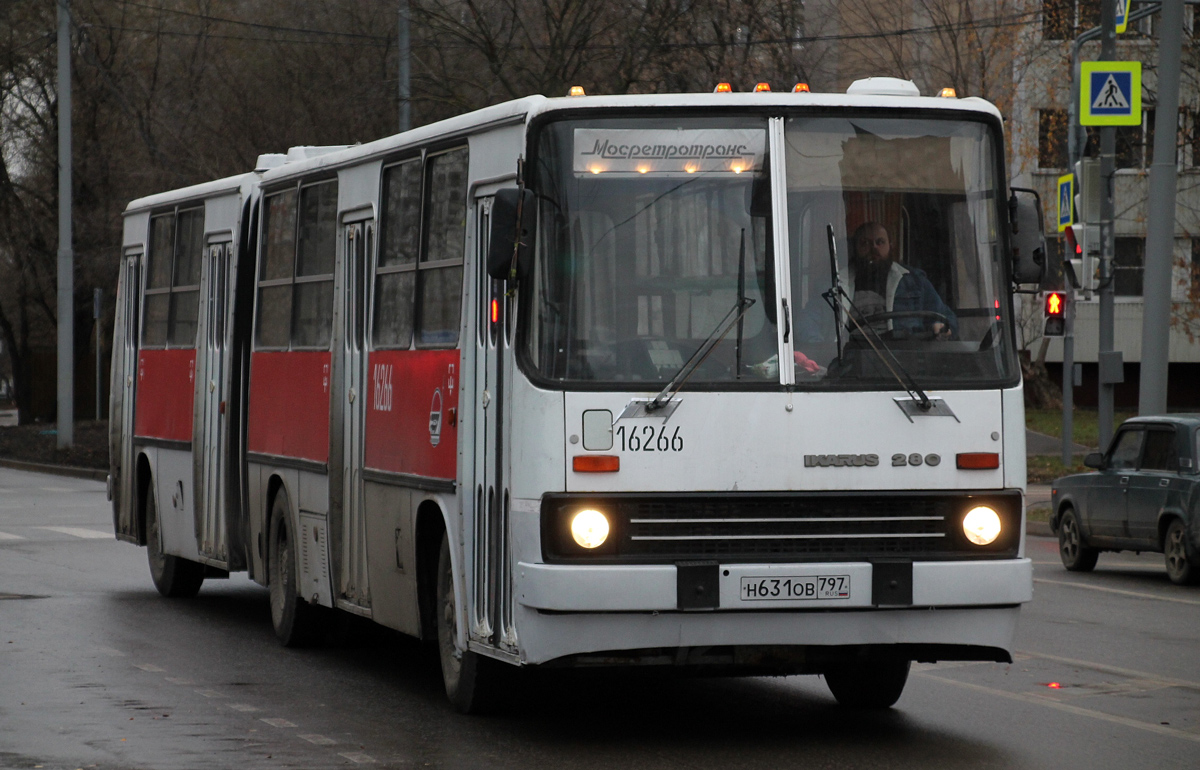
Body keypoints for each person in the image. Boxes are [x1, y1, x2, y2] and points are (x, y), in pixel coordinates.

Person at [845, 221, 957, 339]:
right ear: (855, 247)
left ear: (891, 245)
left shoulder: (914, 281)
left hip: (904, 355)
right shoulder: (837, 284)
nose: (874, 248)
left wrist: (941, 328)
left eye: (880, 242)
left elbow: (945, 317)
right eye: (865, 243)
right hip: (853, 354)